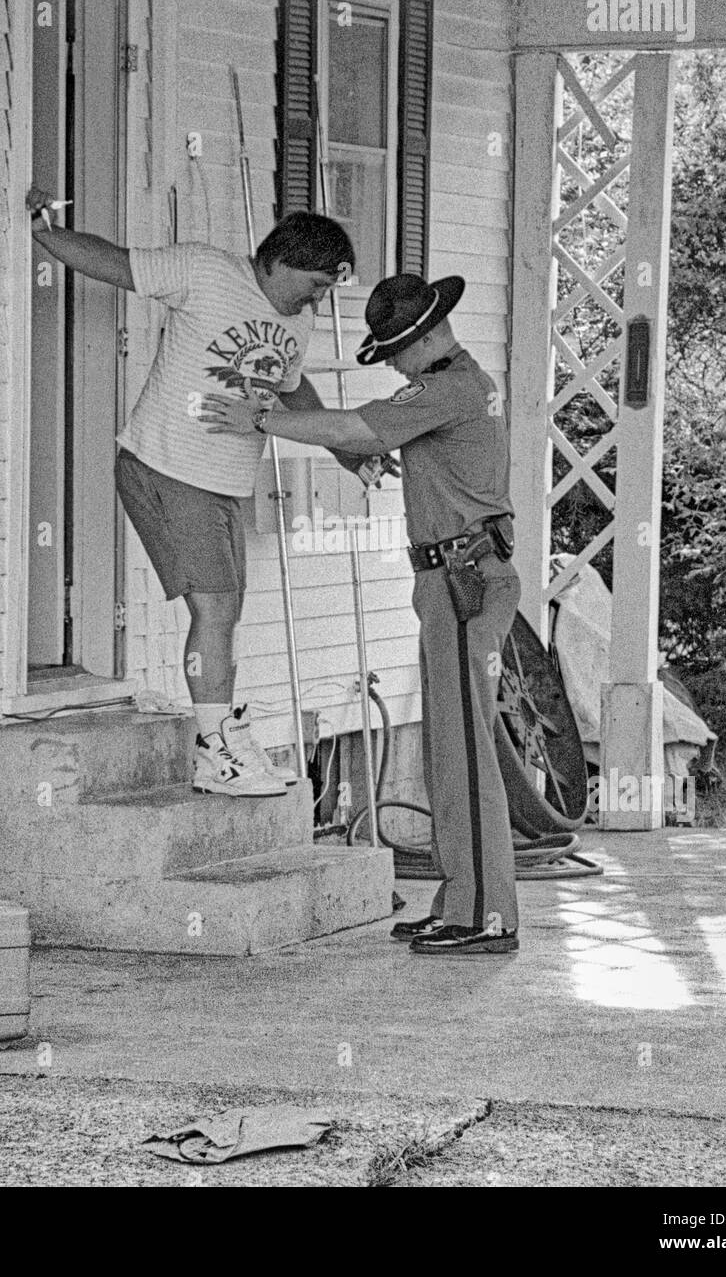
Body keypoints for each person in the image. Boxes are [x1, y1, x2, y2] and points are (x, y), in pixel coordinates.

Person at [27, 187, 388, 797]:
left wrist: (349, 453)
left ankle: (220, 735)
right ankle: (214, 750)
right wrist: (42, 232)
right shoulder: (204, 270)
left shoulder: (294, 321)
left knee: (226, 613)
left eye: (328, 287)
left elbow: (294, 392)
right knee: (216, 611)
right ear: (277, 260)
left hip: (223, 484)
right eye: (315, 281)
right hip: (169, 467)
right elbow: (116, 262)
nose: (318, 297)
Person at [202, 273, 521, 955]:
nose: (395, 363)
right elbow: (389, 440)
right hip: (448, 579)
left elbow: (353, 426)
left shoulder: (448, 389)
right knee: (449, 750)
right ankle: (461, 902)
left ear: (424, 338)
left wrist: (259, 419)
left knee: (466, 757)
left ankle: (487, 918)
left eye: (398, 349)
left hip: (466, 579)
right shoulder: (449, 387)